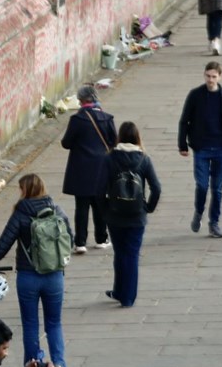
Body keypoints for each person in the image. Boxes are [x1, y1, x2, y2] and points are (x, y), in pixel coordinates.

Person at [0, 174, 71, 367]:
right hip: (54, 276)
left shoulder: (21, 213)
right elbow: (69, 239)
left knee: (30, 325)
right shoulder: (57, 210)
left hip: (28, 277)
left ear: (24, 190)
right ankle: (59, 365)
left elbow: (2, 246)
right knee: (54, 323)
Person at [100, 122, 161, 308]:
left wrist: (105, 211)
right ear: (137, 137)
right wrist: (148, 207)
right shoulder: (143, 159)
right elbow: (156, 188)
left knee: (120, 253)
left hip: (115, 214)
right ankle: (126, 295)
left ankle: (121, 293)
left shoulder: (109, 159)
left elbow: (99, 190)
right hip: (137, 215)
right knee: (132, 255)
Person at [177, 61, 222, 239]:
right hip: (202, 148)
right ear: (204, 75)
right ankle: (198, 212)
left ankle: (214, 223)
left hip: (221, 148)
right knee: (202, 185)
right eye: (208, 76)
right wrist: (182, 144)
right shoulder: (195, 95)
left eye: (214, 76)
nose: (210, 80)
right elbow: (184, 120)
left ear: (220, 76)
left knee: (217, 189)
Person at [60, 84, 117, 253]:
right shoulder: (106, 118)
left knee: (82, 207)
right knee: (100, 205)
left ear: (80, 100)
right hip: (101, 168)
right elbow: (114, 141)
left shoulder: (77, 120)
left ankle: (80, 242)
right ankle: (101, 238)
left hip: (81, 169)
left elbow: (66, 143)